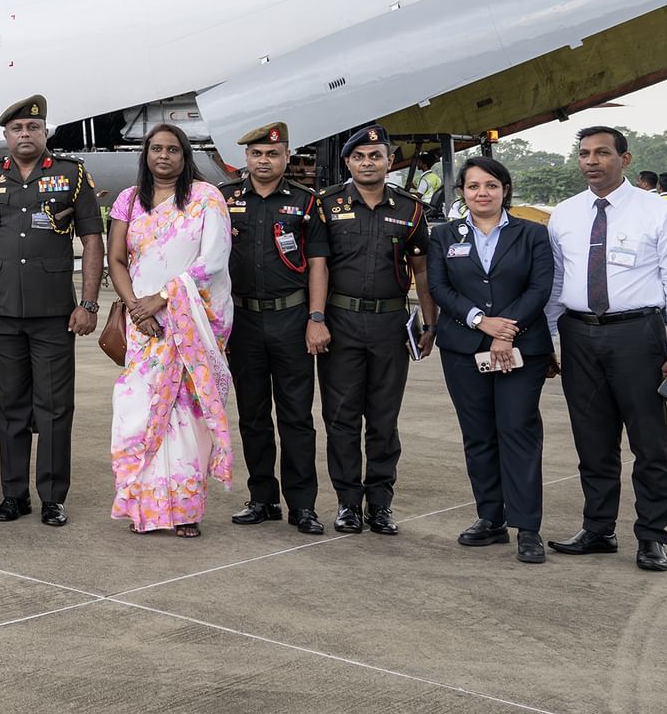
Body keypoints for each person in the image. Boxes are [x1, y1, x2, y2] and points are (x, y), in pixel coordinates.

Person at [545, 126, 667, 571]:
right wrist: (550, 339)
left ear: (625, 159)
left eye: (602, 153)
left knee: (649, 443)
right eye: (584, 154)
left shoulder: (658, 212)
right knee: (592, 439)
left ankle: (652, 536)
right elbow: (556, 283)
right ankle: (598, 528)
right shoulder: (565, 214)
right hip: (578, 335)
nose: (591, 161)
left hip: (638, 335)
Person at [0, 95, 103, 527]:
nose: (25, 134)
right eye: (17, 129)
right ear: (6, 136)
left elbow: (92, 239)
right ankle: (14, 495)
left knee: (55, 408)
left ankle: (53, 498)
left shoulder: (71, 174)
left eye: (33, 128)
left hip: (54, 314)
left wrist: (89, 303)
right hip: (3, 313)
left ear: (45, 132)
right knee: (10, 407)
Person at [106, 124, 234, 538]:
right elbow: (116, 260)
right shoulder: (129, 200)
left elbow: (213, 260)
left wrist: (162, 298)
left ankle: (185, 510)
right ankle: (143, 506)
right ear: (145, 154)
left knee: (186, 416)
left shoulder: (206, 197)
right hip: (143, 326)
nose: (164, 156)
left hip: (190, 323)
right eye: (156, 148)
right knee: (137, 413)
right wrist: (136, 308)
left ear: (185, 155)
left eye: (173, 149)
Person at [310, 125, 437, 536]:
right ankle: (348, 503)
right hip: (340, 323)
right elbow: (318, 266)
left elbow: (421, 270)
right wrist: (316, 319)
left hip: (390, 325)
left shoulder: (410, 209)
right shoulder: (326, 206)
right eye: (359, 157)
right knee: (341, 418)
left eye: (376, 156)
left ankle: (380, 504)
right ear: (348, 161)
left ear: (389, 161)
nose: (368, 163)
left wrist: (430, 323)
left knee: (384, 419)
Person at [426, 157, 553, 564]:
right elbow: (439, 287)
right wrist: (481, 322)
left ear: (504, 190)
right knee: (478, 434)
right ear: (462, 192)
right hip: (463, 348)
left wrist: (505, 330)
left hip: (521, 348)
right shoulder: (445, 235)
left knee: (517, 430)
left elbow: (540, 287)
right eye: (473, 186)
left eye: (491, 185)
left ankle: (527, 527)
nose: (482, 193)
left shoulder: (532, 234)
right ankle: (491, 518)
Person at [218, 121, 325, 534]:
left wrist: (316, 318)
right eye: (257, 154)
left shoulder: (305, 202)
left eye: (273, 154)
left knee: (296, 417)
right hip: (242, 321)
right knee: (253, 415)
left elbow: (317, 265)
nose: (264, 161)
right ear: (246, 157)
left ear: (287, 157)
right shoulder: (224, 199)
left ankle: (303, 506)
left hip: (291, 320)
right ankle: (262, 498)